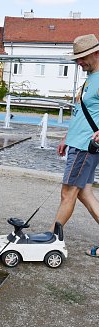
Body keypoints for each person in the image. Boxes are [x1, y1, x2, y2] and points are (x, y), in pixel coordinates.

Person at [51, 34, 99, 258]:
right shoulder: (90, 78)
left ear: (96, 53)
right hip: (77, 142)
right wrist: (65, 138)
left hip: (85, 146)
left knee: (67, 192)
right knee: (84, 194)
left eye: (82, 58)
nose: (78, 63)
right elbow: (81, 112)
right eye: (76, 59)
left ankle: (51, 239)